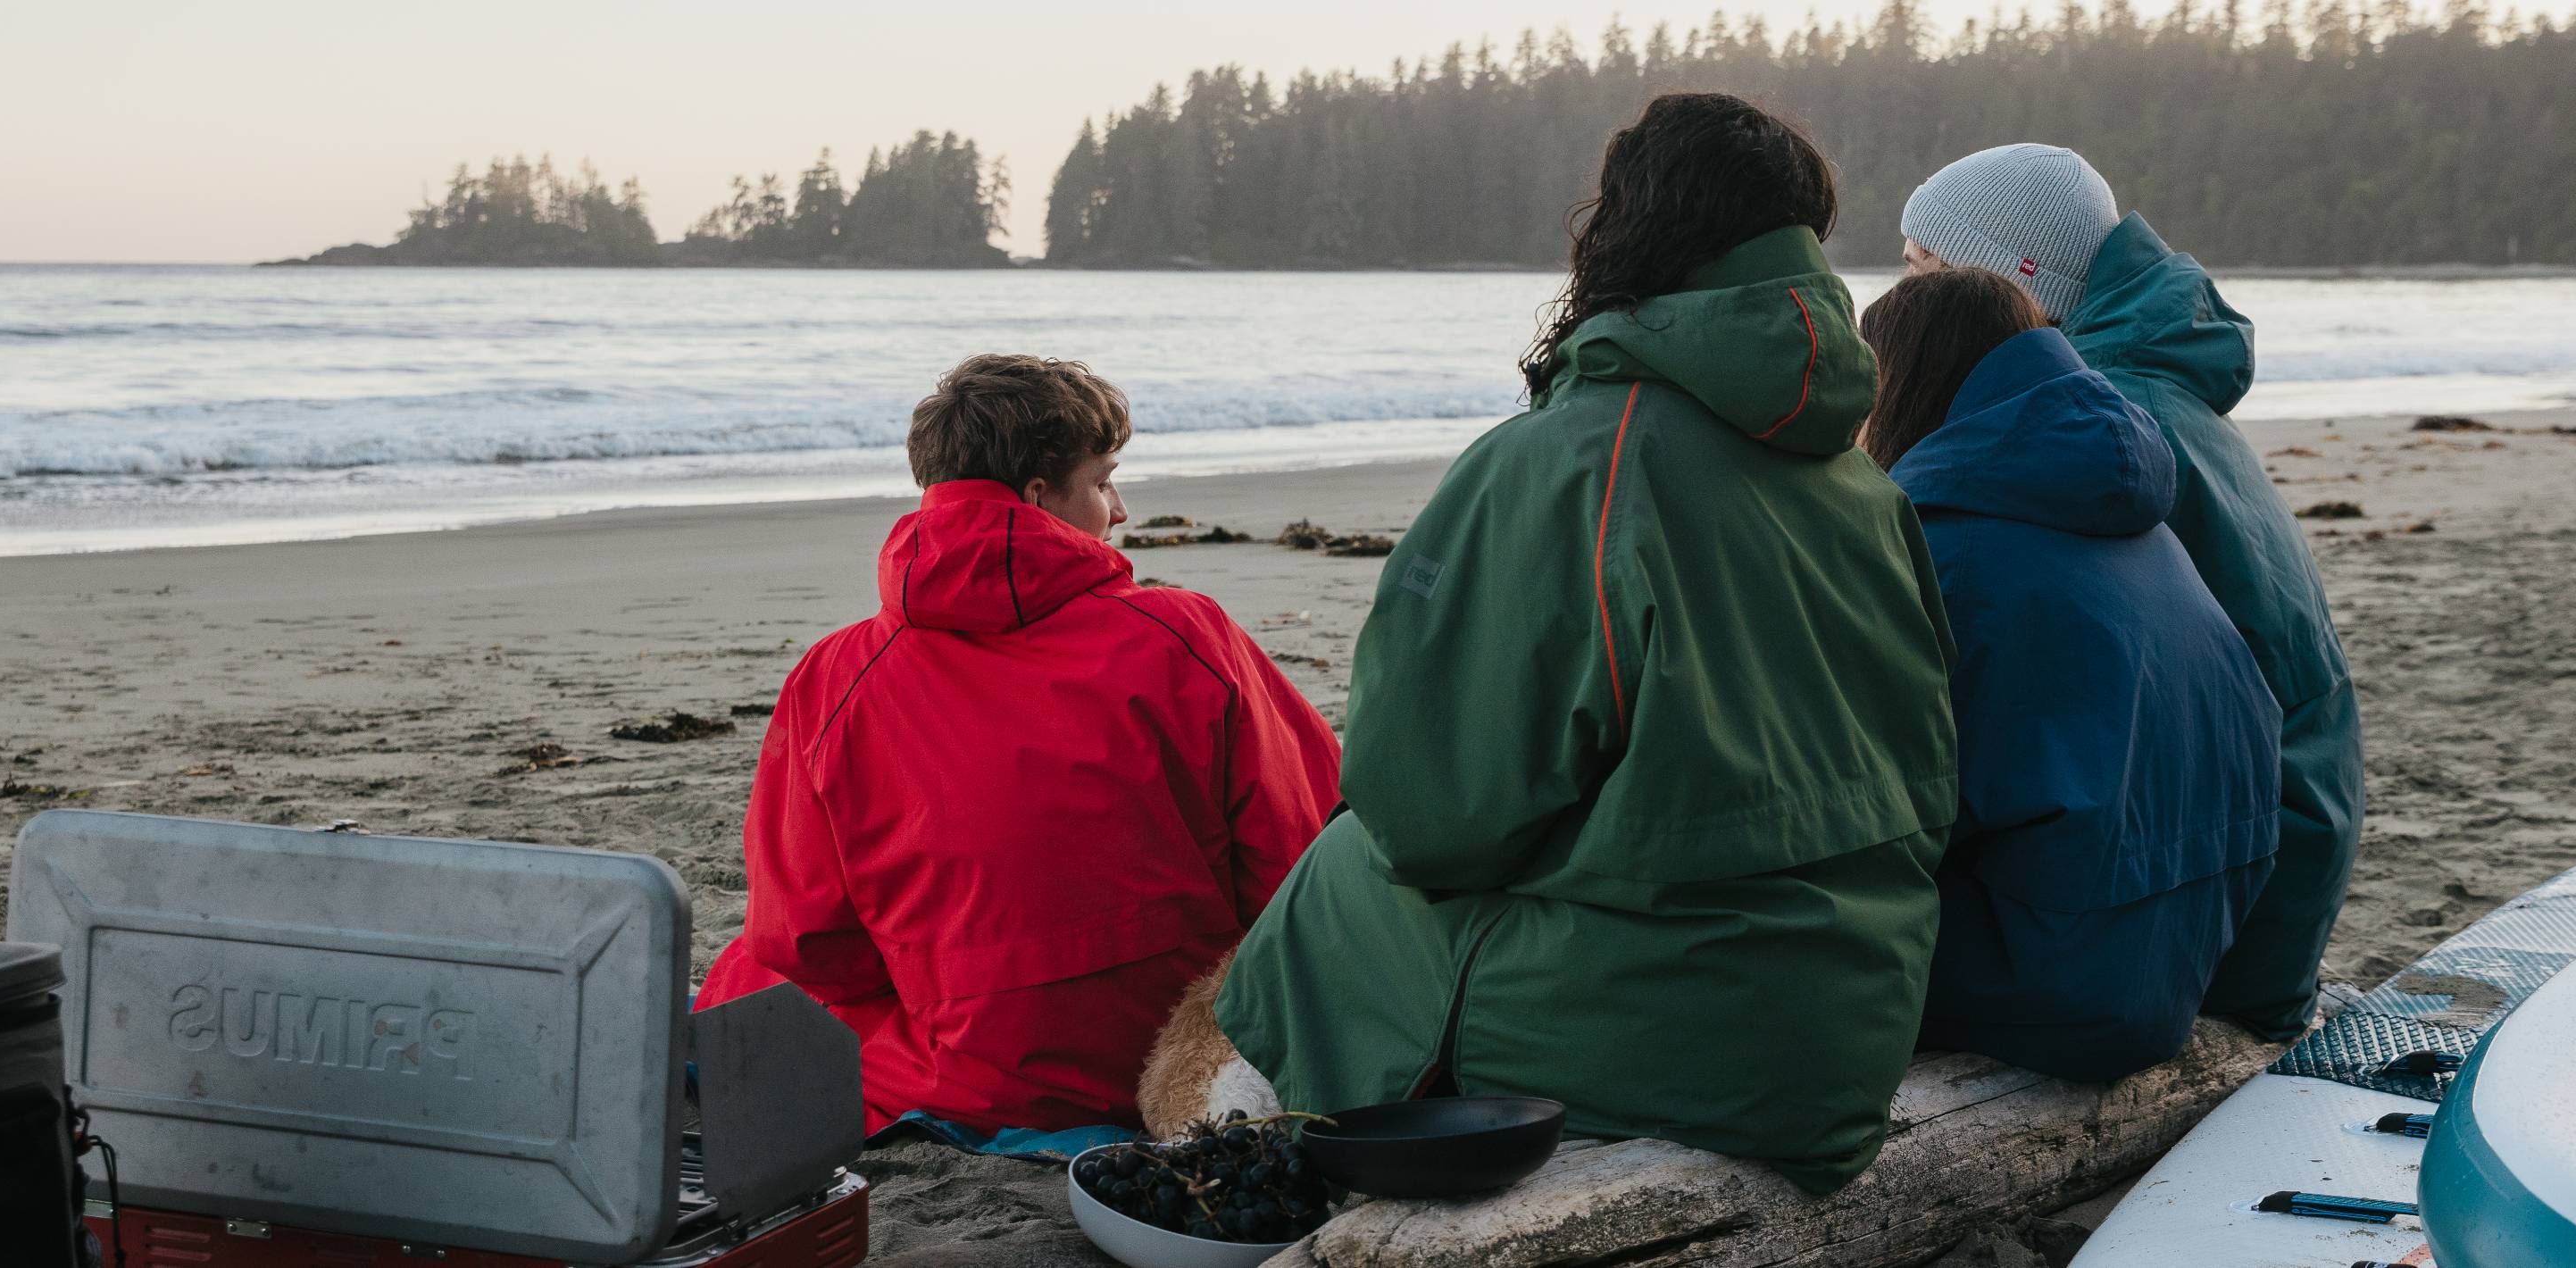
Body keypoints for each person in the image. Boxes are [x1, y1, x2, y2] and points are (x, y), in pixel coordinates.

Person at [1208, 93, 1957, 1192]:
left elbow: (1434, 818)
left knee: (1334, 878)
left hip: (1674, 1044)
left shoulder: (1570, 462)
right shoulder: (1861, 479)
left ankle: (1256, 1154)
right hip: (1852, 1012)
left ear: (1624, 232)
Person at [696, 354, 1341, 1141]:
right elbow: (1306, 856)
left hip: (969, 1065)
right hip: (1179, 1048)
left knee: (744, 975)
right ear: (1039, 497)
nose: (1122, 508)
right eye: (1103, 481)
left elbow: (809, 940)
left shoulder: (833, 675)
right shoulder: (1186, 633)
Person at [1900, 144, 2368, 1039]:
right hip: (2284, 857)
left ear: (2003, 285)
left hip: (2235, 914)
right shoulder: (2141, 406)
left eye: (1922, 269)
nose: (1896, 298)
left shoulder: (2100, 430)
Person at [1857, 268, 2282, 1080]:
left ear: (1902, 384)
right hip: (2182, 955)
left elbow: (1888, 813)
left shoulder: (1948, 554)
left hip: (2057, 982)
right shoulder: (2131, 517)